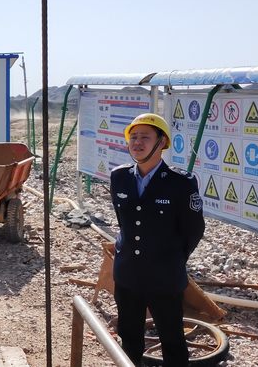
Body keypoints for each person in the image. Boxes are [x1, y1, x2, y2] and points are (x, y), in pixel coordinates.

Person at [109, 113, 205, 366]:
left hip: (165, 277)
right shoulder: (119, 176)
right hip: (127, 274)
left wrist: (171, 259)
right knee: (129, 337)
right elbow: (124, 222)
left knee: (172, 340)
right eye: (133, 137)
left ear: (161, 143)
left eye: (145, 137)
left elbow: (194, 230)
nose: (137, 142)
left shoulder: (181, 183)